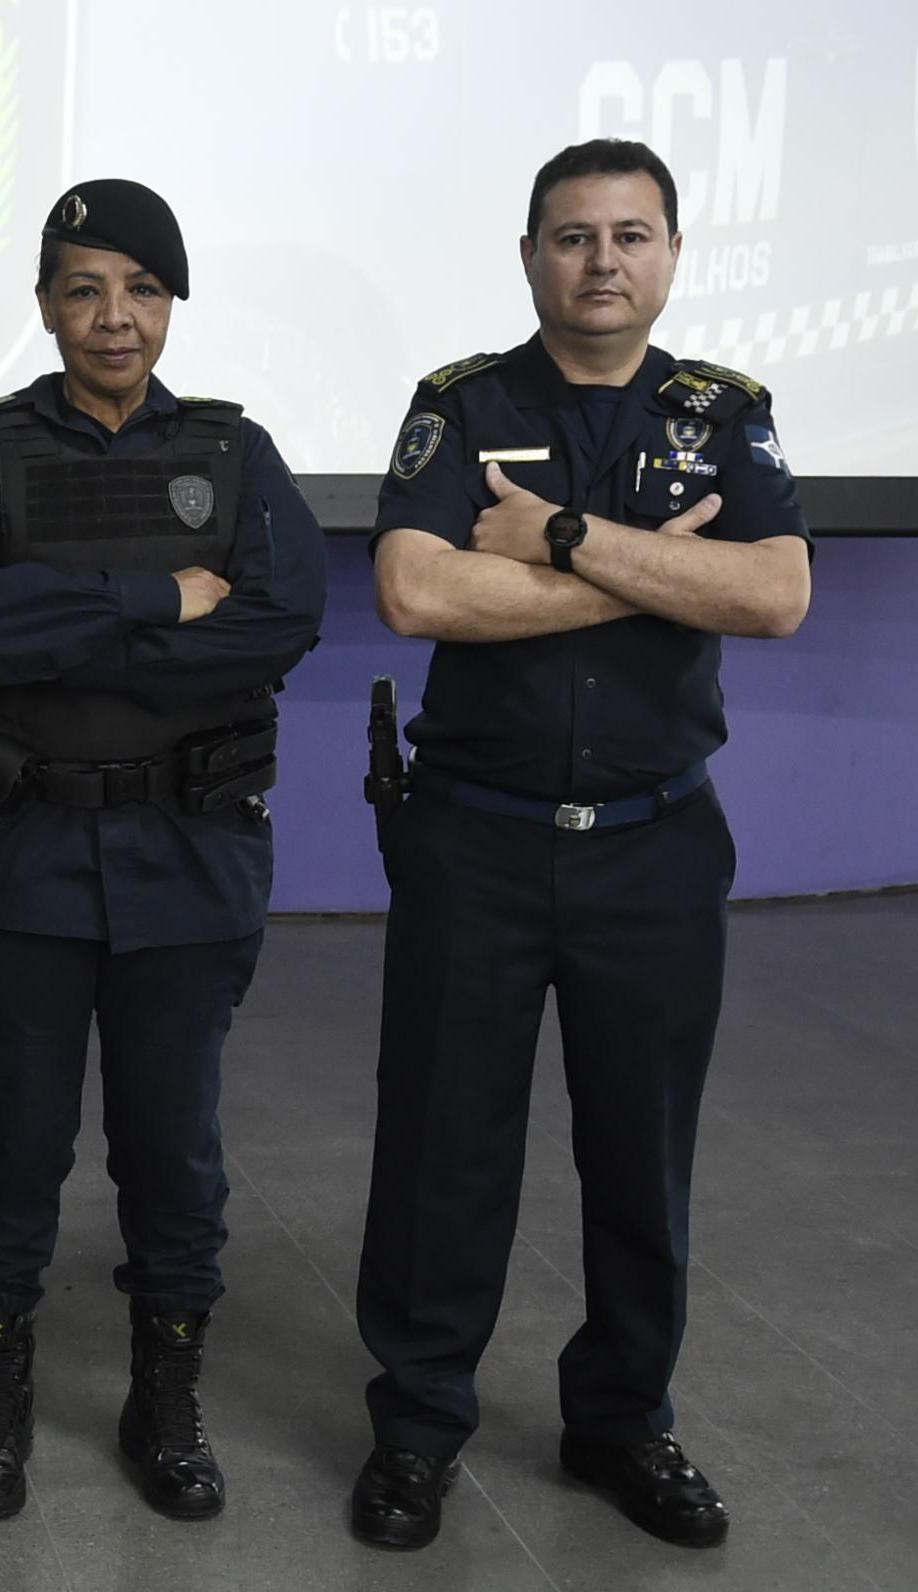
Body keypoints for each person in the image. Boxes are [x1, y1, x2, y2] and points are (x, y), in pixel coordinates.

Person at [352, 138, 812, 1552]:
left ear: (670, 254)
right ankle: (419, 1427)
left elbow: (775, 595)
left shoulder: (726, 414)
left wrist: (552, 537)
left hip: (654, 848)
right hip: (475, 844)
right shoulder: (460, 405)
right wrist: (661, 571)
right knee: (442, 1153)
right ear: (530, 256)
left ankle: (623, 1420)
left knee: (640, 1156)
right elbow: (418, 594)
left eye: (629, 235)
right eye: (572, 236)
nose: (601, 261)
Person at [0, 179, 326, 1524]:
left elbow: (280, 620)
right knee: (11, 1148)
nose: (113, 316)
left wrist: (65, 633)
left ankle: (165, 1404)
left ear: (172, 304)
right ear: (45, 306)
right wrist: (152, 602)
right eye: (84, 289)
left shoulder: (235, 456)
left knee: (173, 1154)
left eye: (141, 289)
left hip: (188, 861)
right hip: (22, 861)